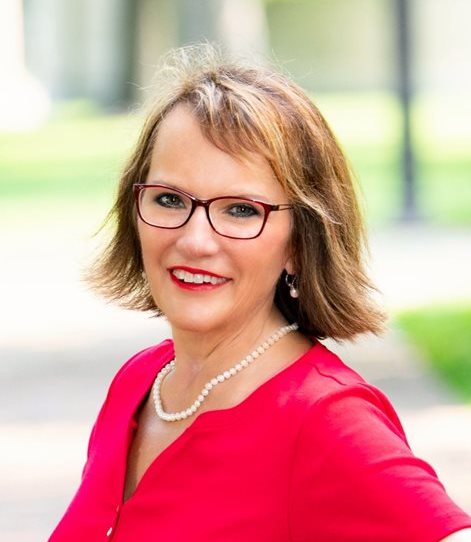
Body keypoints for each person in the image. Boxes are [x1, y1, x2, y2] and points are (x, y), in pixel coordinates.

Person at [48, 45, 471, 541]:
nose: (195, 240)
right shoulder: (139, 384)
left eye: (241, 210)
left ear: (300, 242)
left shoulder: (326, 419)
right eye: (169, 199)